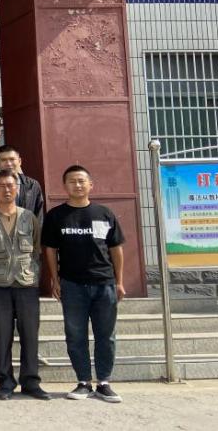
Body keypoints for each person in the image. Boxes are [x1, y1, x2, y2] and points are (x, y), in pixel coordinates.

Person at [43, 165, 126, 404]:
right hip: (72, 284)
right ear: (65, 186)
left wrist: (119, 281)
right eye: (72, 181)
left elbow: (116, 249)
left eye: (81, 181)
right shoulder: (56, 216)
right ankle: (83, 382)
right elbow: (50, 249)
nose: (77, 185)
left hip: (104, 283)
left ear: (90, 185)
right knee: (75, 334)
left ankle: (104, 382)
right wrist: (55, 279)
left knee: (106, 335)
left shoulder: (104, 213)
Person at [0, 169, 49, 401]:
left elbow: (36, 249)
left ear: (17, 189)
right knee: (2, 336)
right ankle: (5, 382)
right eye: (1, 186)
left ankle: (31, 382)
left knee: (30, 335)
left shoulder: (29, 217)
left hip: (26, 284)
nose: (7, 190)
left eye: (11, 185)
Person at [0, 145, 45, 219]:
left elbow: (39, 215)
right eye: (3, 160)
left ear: (19, 161)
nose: (8, 163)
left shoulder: (32, 185)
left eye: (12, 159)